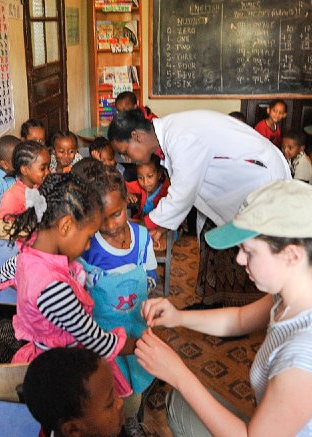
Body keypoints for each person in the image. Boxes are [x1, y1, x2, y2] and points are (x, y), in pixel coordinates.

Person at [136, 180, 312, 437]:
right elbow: (239, 319)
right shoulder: (305, 290)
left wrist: (178, 374)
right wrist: (178, 317)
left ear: (291, 255)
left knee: (180, 401)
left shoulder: (309, 354)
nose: (240, 260)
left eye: (249, 251)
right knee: (180, 404)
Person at [108, 109, 290, 307]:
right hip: (231, 189)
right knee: (212, 241)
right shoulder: (169, 136)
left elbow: (182, 193)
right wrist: (161, 226)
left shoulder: (180, 136)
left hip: (257, 180)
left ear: (137, 136)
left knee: (255, 250)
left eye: (126, 152)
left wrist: (142, 226)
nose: (127, 159)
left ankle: (248, 311)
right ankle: (214, 303)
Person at [0, 173, 137, 398]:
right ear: (65, 226)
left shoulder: (27, 253)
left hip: (40, 354)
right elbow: (97, 342)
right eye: (89, 236)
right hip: (62, 370)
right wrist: (139, 345)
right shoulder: (53, 289)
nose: (89, 245)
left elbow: (4, 271)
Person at [74, 162, 157, 437]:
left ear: (128, 203)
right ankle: (112, 425)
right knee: (109, 381)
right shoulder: (87, 246)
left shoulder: (142, 238)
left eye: (117, 214)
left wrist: (148, 294)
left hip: (136, 321)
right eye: (102, 219)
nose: (111, 225)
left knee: (137, 375)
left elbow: (150, 275)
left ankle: (132, 420)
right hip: (103, 330)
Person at [23, 347, 128, 437]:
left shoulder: (103, 432)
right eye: (110, 403)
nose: (120, 402)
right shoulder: (104, 428)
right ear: (73, 429)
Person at [0, 141, 50, 221]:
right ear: (24, 170)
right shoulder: (11, 196)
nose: (48, 172)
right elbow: (2, 225)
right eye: (42, 168)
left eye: (48, 167)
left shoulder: (40, 186)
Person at [125, 154, 170, 220]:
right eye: (140, 177)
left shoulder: (166, 192)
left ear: (159, 174)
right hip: (142, 222)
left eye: (150, 176)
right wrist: (127, 194)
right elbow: (122, 186)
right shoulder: (141, 187)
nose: (145, 182)